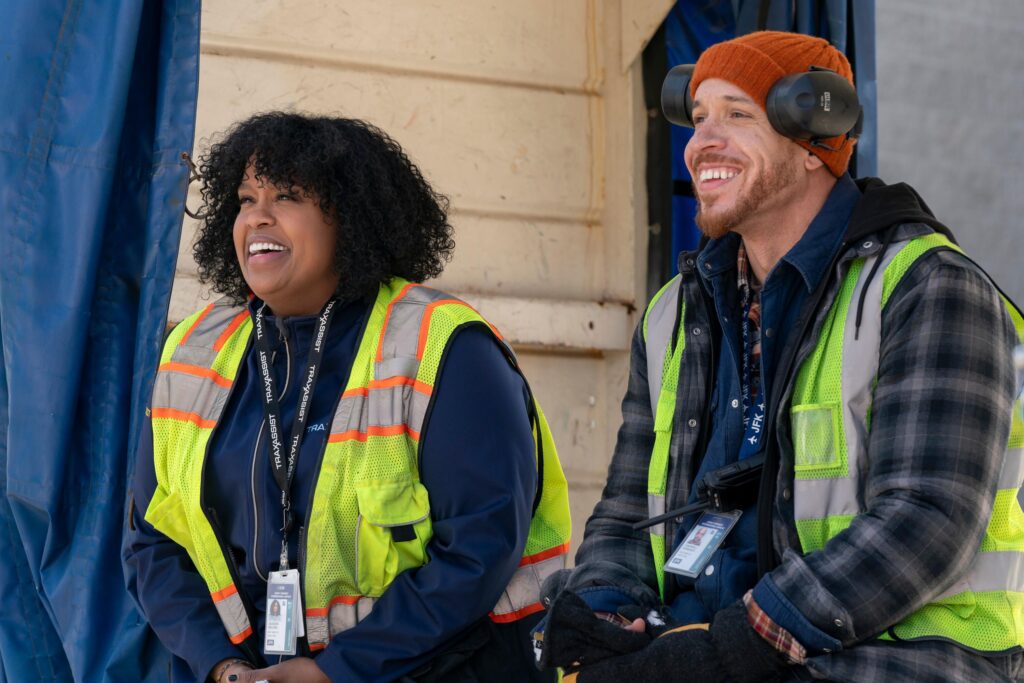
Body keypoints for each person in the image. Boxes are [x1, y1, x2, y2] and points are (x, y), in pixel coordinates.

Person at [536, 31, 1024, 683]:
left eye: (738, 116)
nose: (702, 143)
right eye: (700, 117)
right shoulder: (673, 313)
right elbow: (627, 508)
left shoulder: (928, 287)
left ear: (814, 140)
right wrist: (599, 613)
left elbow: (927, 522)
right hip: (717, 651)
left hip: (898, 659)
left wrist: (729, 649)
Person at [123, 112, 571, 683]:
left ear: (352, 218)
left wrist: (336, 671)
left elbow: (479, 549)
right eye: (245, 198)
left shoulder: (444, 344)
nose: (257, 216)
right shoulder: (192, 347)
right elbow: (151, 540)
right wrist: (224, 666)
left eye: (286, 195)